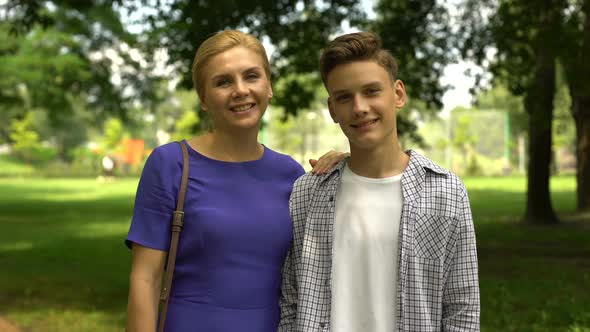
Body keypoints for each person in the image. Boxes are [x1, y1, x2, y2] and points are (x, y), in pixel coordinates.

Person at [125, 30, 346, 332]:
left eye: (251, 76)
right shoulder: (171, 164)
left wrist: (346, 165)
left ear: (269, 86)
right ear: (204, 98)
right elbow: (145, 280)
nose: (240, 90)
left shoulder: (291, 174)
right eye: (223, 81)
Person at [278, 32, 480, 332]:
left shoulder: (446, 191)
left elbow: (462, 309)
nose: (359, 107)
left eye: (371, 91)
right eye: (344, 97)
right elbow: (291, 301)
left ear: (398, 94)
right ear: (332, 109)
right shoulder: (309, 192)